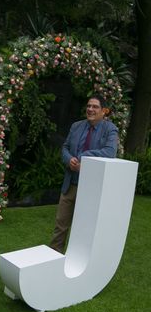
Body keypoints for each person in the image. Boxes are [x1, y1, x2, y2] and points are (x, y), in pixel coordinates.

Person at [49, 95, 119, 253]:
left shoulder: (110, 129)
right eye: (88, 106)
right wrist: (69, 160)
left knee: (84, 230)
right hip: (70, 186)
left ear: (104, 111)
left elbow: (110, 152)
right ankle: (53, 259)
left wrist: (83, 158)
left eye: (95, 107)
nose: (90, 109)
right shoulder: (76, 126)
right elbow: (65, 148)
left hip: (91, 189)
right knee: (60, 226)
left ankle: (76, 263)